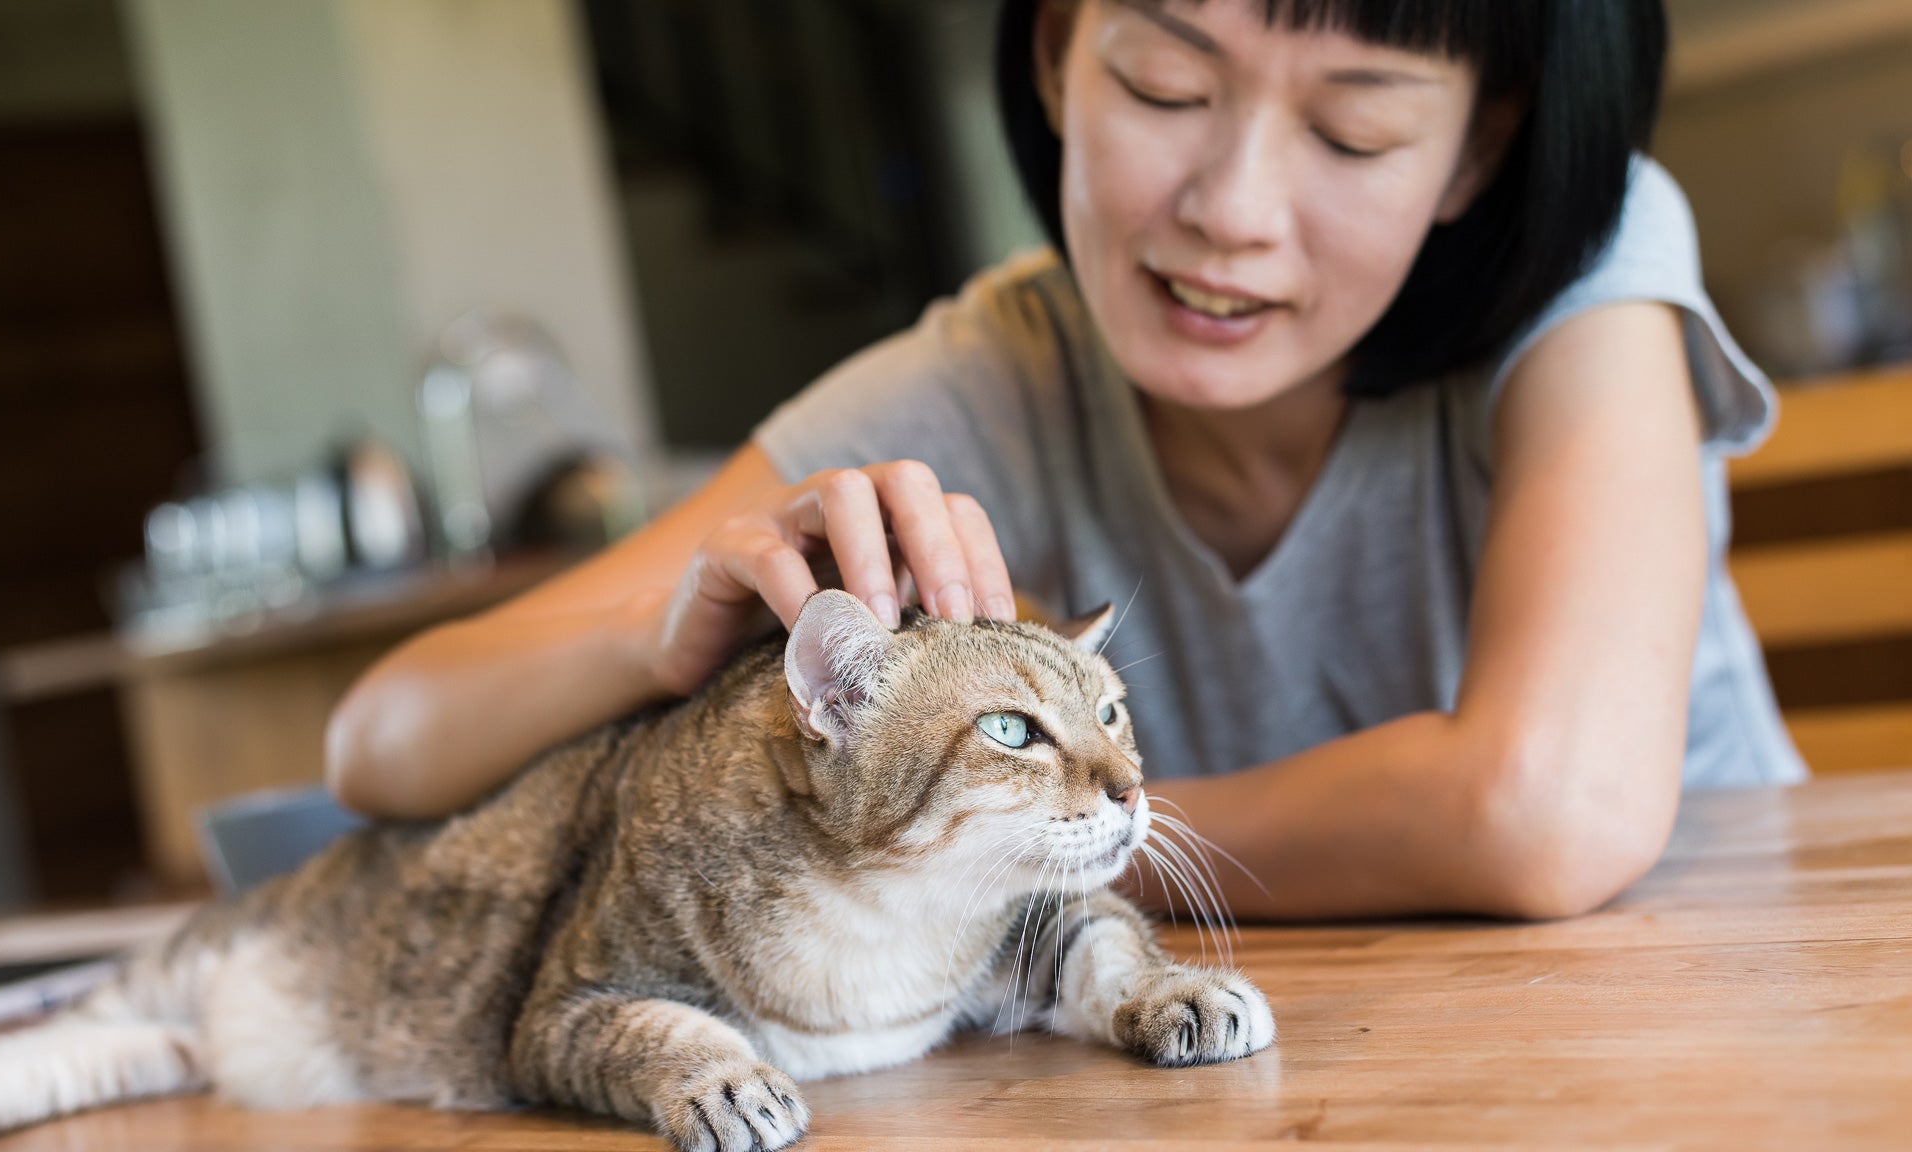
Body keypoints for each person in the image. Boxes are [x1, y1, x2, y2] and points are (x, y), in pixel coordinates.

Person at [324, 0, 1805, 922]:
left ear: (1478, 153)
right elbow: (383, 736)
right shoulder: (997, 371)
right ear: (1053, 55)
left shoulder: (1593, 283)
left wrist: (981, 850)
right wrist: (652, 644)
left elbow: (1545, 811)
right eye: (1165, 83)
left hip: (1722, 999)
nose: (1231, 208)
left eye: (1353, 134)